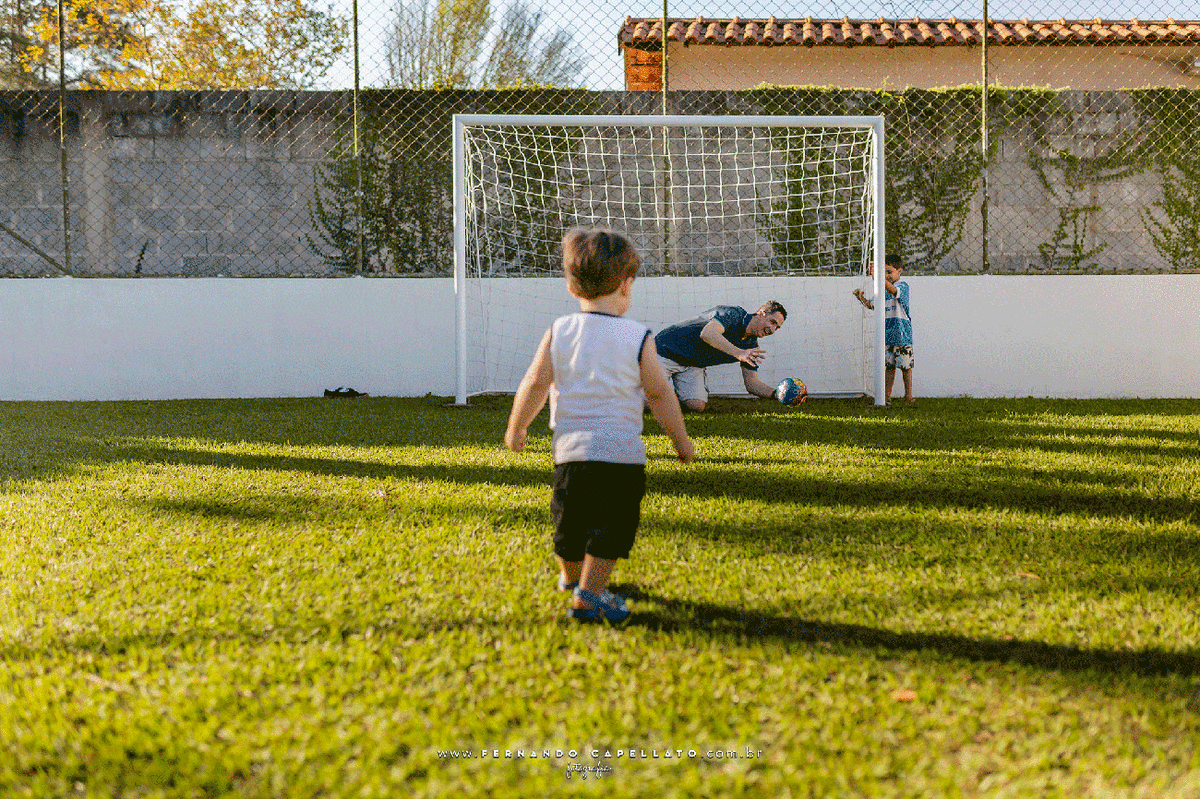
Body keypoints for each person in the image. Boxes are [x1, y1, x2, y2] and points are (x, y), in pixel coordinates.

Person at [505, 228, 695, 624]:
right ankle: (589, 596)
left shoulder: (559, 330)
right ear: (627, 285)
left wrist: (518, 427)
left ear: (572, 287)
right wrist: (681, 441)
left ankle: (572, 579)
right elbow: (660, 395)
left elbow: (535, 381)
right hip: (620, 458)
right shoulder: (638, 336)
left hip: (570, 456)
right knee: (611, 529)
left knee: (569, 527)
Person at [653, 302, 787, 412]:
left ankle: (665, 399)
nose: (773, 330)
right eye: (772, 322)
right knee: (646, 404)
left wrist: (779, 394)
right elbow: (707, 333)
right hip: (666, 351)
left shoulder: (751, 346)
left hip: (692, 365)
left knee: (696, 406)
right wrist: (739, 353)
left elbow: (752, 384)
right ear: (761, 314)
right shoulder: (733, 314)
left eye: (777, 328)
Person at [852, 254, 914, 403]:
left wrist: (879, 278)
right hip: (887, 335)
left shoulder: (902, 286)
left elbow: (893, 290)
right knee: (889, 367)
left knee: (905, 367)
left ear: (899, 271)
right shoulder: (882, 290)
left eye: (889, 272)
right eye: (884, 272)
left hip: (903, 335)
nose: (887, 275)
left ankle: (909, 396)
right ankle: (886, 396)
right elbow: (871, 305)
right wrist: (860, 297)